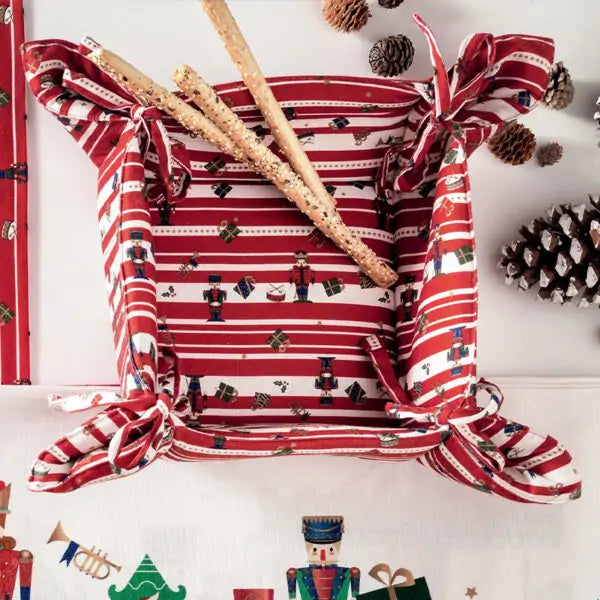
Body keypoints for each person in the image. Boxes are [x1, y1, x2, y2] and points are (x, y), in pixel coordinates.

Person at [287, 516, 360, 600]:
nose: (323, 555)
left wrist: (354, 596)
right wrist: (292, 597)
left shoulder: (346, 572)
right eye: (315, 550)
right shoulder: (300, 573)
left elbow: (355, 595)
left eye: (330, 550)